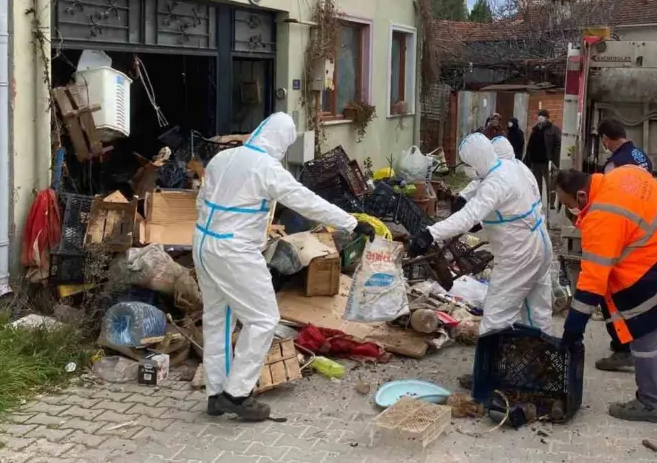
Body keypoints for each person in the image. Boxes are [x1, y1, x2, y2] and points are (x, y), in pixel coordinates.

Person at [194, 112, 375, 421]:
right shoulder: (267, 169)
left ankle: (216, 394)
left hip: (203, 244)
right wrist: (351, 222)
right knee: (264, 319)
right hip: (235, 251)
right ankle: (237, 395)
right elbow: (307, 201)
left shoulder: (222, 159)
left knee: (217, 320)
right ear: (281, 141)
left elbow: (201, 201)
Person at [555, 166, 657, 423]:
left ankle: (651, 403)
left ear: (583, 196)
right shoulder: (625, 173)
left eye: (568, 204)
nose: (570, 213)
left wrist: (572, 330)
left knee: (643, 330)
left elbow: (592, 284)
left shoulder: (600, 216)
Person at [410, 133, 552, 350]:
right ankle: (539, 362)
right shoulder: (513, 168)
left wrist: (430, 233)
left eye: (467, 164)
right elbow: (507, 205)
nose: (467, 170)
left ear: (476, 162)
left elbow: (468, 217)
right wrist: (472, 206)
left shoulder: (494, 184)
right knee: (536, 309)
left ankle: (489, 375)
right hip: (540, 244)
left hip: (519, 254)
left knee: (496, 316)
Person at [589, 118, 654, 371]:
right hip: (642, 230)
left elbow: (607, 201)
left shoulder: (615, 163)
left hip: (622, 234)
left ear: (606, 138)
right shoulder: (640, 156)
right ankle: (634, 342)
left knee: (611, 293)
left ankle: (623, 346)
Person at [525, 109, 561, 196]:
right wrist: (528, 159)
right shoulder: (535, 129)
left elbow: (558, 144)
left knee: (550, 183)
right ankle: (539, 200)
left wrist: (553, 158)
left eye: (543, 116)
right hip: (536, 161)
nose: (541, 118)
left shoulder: (553, 129)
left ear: (547, 118)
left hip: (547, 161)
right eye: (540, 116)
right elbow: (530, 146)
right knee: (537, 184)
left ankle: (551, 203)